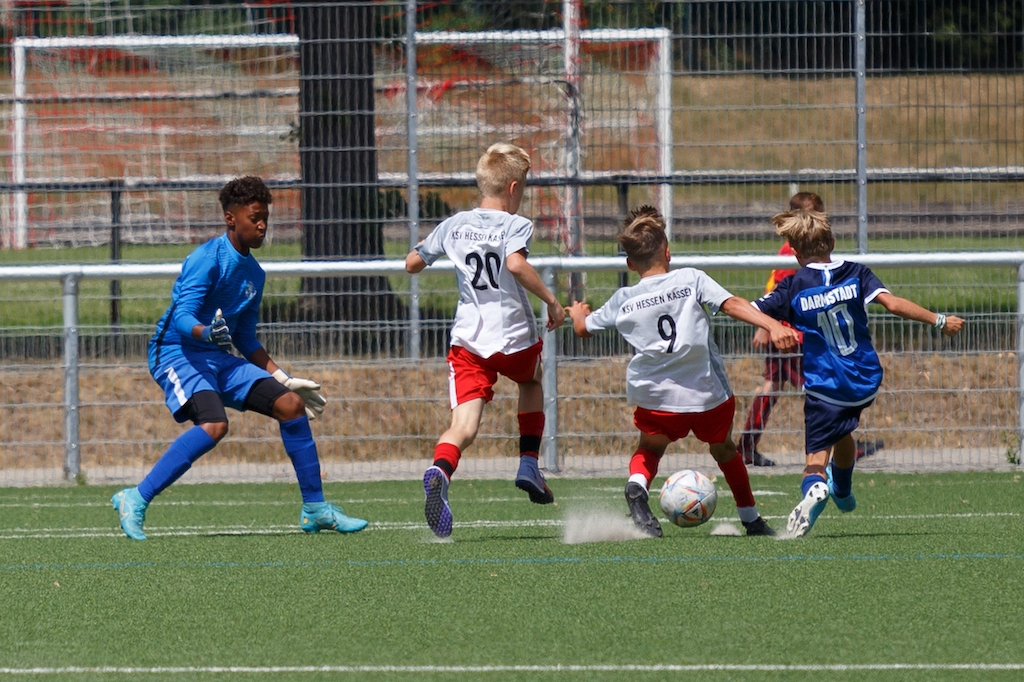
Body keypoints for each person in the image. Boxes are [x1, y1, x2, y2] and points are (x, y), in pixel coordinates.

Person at [111, 176, 367, 540]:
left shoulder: (255, 274)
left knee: (290, 404)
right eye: (255, 218)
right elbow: (182, 316)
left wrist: (282, 378)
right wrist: (206, 334)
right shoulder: (207, 259)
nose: (262, 226)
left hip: (216, 355)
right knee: (214, 425)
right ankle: (135, 498)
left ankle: (315, 509)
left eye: (265, 218)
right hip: (176, 352)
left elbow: (245, 337)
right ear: (231, 219)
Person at [566, 205, 799, 538]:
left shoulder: (623, 298)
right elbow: (732, 304)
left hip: (656, 397)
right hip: (706, 395)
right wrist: (772, 324)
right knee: (724, 449)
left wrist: (578, 312)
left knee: (650, 449)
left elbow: (583, 329)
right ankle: (751, 520)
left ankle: (637, 486)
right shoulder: (691, 279)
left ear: (630, 264)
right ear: (668, 251)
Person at [753, 208, 963, 537]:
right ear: (832, 242)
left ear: (794, 252)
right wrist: (939, 320)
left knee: (815, 458)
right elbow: (893, 304)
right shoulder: (856, 272)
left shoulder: (793, 286)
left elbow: (749, 309)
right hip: (864, 378)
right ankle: (843, 491)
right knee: (843, 429)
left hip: (826, 384)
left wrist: (768, 324)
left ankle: (817, 487)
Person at [405, 142, 566, 538]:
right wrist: (552, 302)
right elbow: (515, 263)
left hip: (468, 342)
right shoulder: (515, 224)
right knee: (532, 379)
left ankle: (440, 470)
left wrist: (432, 251)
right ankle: (529, 462)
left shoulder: (454, 224)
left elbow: (412, 264)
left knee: (463, 426)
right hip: (512, 337)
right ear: (513, 188)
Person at [738, 192, 884, 467]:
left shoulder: (798, 248)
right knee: (827, 388)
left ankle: (747, 444)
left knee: (776, 386)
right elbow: (779, 290)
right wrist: (767, 327)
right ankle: (842, 444)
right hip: (794, 335)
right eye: (816, 216)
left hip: (793, 331)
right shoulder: (792, 251)